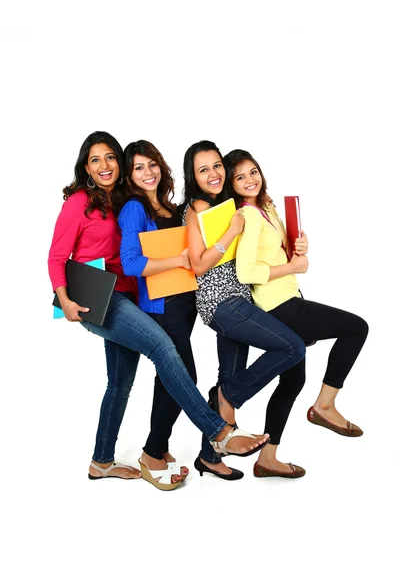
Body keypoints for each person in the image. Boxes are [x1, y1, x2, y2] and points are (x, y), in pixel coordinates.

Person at [48, 131, 269, 492]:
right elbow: (60, 256)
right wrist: (65, 299)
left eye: (111, 159)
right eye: (95, 159)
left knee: (119, 384)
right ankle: (218, 432)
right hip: (98, 295)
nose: (105, 166)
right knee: (164, 352)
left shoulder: (120, 202)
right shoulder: (86, 203)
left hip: (127, 294)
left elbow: (134, 255)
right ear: (86, 167)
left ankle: (102, 461)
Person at [224, 148, 369, 478]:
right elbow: (247, 271)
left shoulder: (266, 208)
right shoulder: (246, 215)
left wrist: (297, 246)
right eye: (240, 177)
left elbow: (278, 253)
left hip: (288, 298)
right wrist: (291, 265)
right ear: (232, 185)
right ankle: (324, 406)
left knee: (293, 380)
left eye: (253, 172)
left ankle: (267, 458)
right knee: (356, 328)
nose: (250, 180)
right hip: (279, 305)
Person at [181, 140, 306, 481]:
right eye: (202, 169)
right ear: (193, 177)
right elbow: (198, 265)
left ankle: (209, 456)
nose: (212, 174)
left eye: (216, 166)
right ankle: (228, 398)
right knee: (292, 346)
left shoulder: (230, 203)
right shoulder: (197, 209)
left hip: (243, 298)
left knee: (229, 373)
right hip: (221, 303)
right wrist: (232, 230)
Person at [118, 139, 197, 487]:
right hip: (160, 306)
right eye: (138, 167)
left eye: (151, 164)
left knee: (166, 379)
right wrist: (177, 261)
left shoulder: (168, 206)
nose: (147, 172)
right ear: (130, 175)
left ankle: (160, 444)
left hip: (184, 303)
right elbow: (131, 262)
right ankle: (151, 452)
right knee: (186, 377)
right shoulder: (135, 208)